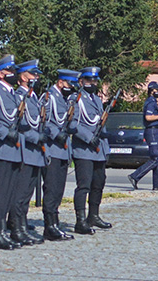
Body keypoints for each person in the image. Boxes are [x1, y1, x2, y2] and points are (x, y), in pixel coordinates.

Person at [69, 67, 111, 234]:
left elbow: (100, 123)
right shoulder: (76, 99)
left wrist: (105, 147)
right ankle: (80, 220)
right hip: (84, 149)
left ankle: (93, 215)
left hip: (98, 150)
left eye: (95, 80)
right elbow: (72, 124)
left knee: (98, 184)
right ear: (81, 82)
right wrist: (88, 138)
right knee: (84, 186)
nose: (92, 83)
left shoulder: (97, 100)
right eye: (89, 80)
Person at [0, 55, 22, 250]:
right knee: (0, 194)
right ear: (1, 73)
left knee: (8, 193)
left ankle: (4, 231)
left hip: (13, 150)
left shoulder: (14, 94)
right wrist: (4, 133)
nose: (14, 74)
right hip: (1, 149)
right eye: (10, 71)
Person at [8, 60, 45, 246]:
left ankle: (23, 225)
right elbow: (20, 125)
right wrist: (35, 137)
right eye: (33, 75)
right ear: (23, 77)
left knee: (27, 194)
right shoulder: (18, 97)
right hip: (25, 149)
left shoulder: (33, 97)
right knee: (20, 194)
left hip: (35, 151)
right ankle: (16, 228)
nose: (36, 78)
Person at [41, 69, 79, 241]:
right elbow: (44, 122)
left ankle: (55, 223)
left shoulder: (64, 100)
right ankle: (49, 226)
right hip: (52, 149)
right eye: (69, 84)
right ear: (61, 82)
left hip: (63, 150)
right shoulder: (49, 98)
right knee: (51, 189)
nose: (71, 88)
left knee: (59, 190)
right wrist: (57, 134)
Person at [127, 82, 158, 191]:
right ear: (152, 91)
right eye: (157, 90)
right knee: (155, 158)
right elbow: (148, 117)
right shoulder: (150, 102)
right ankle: (135, 176)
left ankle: (157, 184)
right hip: (152, 131)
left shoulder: (153, 102)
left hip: (155, 131)